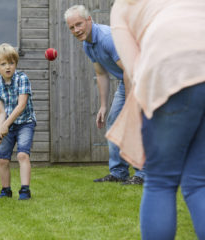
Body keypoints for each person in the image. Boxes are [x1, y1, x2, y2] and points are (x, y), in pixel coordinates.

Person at [108, 0, 205, 239]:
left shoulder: (123, 6)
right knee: (199, 182)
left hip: (171, 68)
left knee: (161, 180)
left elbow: (135, 69)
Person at [64, 5, 144, 185]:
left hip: (143, 78)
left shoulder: (108, 38)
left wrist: (131, 104)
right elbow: (101, 74)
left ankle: (143, 174)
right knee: (113, 121)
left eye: (79, 24)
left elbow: (130, 69)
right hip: (127, 81)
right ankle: (119, 173)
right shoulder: (88, 45)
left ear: (89, 20)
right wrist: (103, 106)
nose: (76, 30)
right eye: (72, 27)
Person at [0, 43, 36, 200]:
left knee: (22, 155)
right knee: (2, 158)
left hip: (25, 122)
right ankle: (6, 191)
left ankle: (24, 190)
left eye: (11, 63)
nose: (8, 67)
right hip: (8, 124)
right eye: (3, 64)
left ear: (16, 64)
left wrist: (5, 126)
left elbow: (21, 106)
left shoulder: (22, 78)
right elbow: (1, 112)